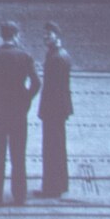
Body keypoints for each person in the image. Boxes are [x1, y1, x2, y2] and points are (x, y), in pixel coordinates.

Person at [0, 22, 39, 205]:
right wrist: (26, 100)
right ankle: (19, 196)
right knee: (18, 156)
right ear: (16, 35)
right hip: (18, 112)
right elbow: (36, 83)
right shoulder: (25, 57)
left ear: (2, 35)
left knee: (0, 157)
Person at [36, 21, 73, 197]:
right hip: (59, 109)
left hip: (53, 110)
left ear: (56, 36)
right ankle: (60, 184)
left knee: (51, 148)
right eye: (44, 35)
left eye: (48, 35)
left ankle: (51, 188)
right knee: (58, 147)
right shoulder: (59, 54)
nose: (45, 38)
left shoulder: (56, 58)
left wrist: (45, 110)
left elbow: (54, 88)